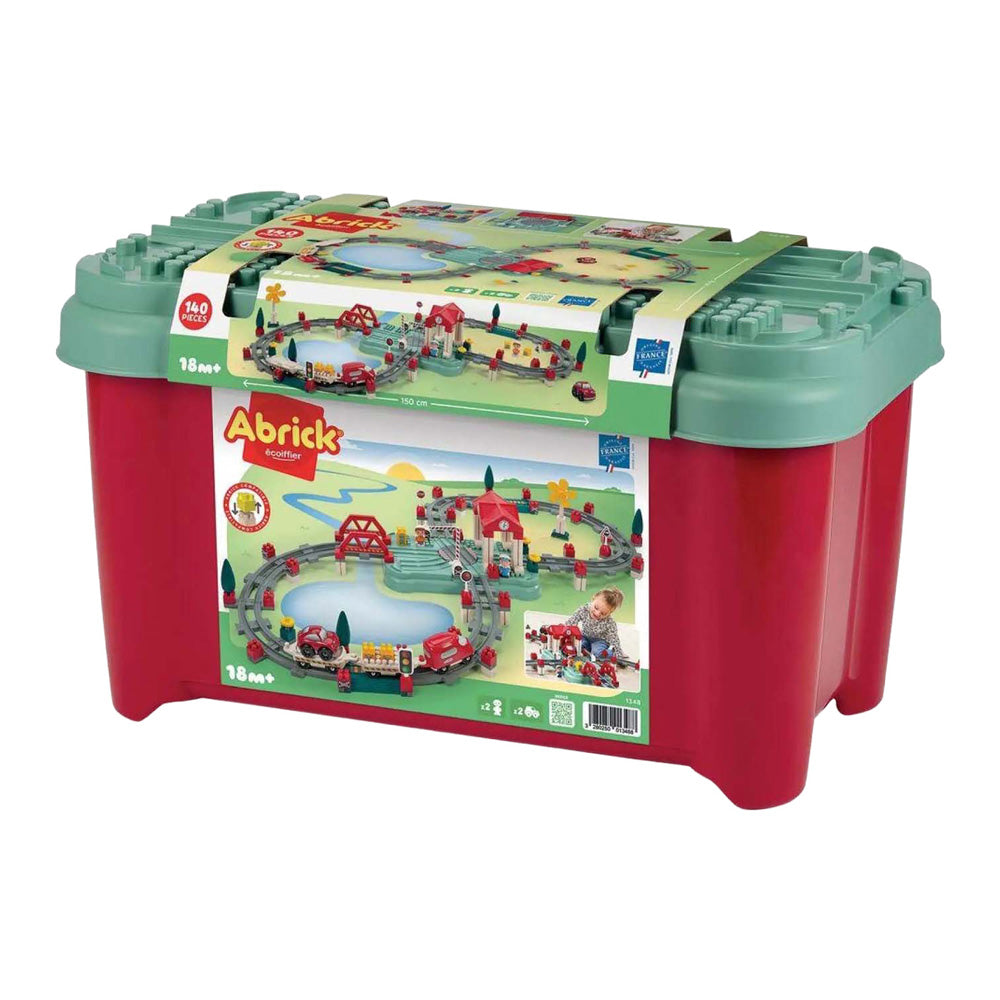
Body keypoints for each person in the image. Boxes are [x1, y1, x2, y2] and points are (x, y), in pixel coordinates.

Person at [564, 587, 624, 660]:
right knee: (577, 647)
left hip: (600, 640)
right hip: (585, 636)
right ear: (593, 598)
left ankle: (609, 651)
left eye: (603, 613)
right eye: (596, 607)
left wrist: (618, 654)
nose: (597, 613)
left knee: (598, 653)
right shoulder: (584, 609)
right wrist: (564, 630)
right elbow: (572, 621)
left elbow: (614, 638)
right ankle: (587, 648)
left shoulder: (610, 622)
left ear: (609, 613)